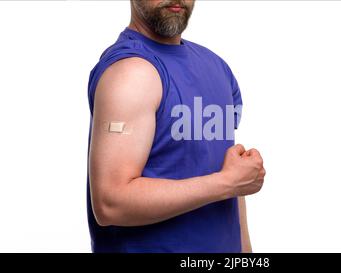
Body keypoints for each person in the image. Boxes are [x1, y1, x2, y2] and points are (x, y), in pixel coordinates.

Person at [86, 0, 266, 253]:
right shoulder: (131, 72)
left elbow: (233, 181)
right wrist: (225, 182)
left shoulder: (217, 67)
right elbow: (110, 204)